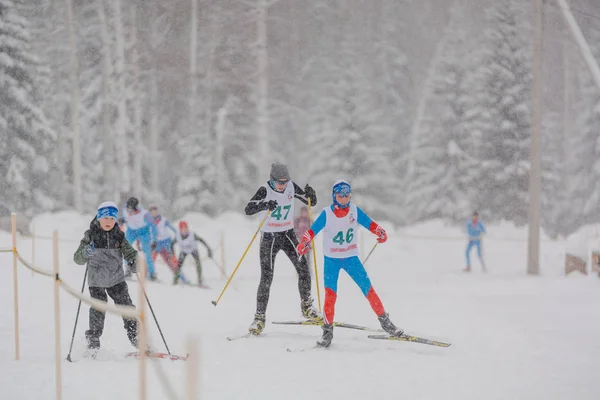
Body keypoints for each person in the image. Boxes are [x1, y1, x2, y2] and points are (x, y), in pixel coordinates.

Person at [296, 180, 403, 348]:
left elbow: (370, 223)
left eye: (347, 195)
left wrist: (380, 231)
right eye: (341, 195)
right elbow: (312, 231)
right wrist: (304, 242)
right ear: (334, 196)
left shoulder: (354, 211)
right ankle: (327, 331)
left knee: (368, 290)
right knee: (330, 296)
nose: (345, 198)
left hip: (351, 258)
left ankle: (385, 322)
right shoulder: (326, 213)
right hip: (331, 260)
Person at [244, 161, 320, 335]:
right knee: (267, 277)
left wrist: (311, 195)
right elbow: (248, 209)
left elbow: (310, 201)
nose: (283, 186)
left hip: (287, 234)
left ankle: (307, 306)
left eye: (285, 182)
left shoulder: (290, 187)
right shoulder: (265, 190)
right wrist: (265, 205)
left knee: (303, 268)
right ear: (272, 180)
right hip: (269, 238)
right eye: (280, 182)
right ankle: (259, 318)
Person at [73, 201, 139, 355]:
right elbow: (77, 259)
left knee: (127, 308)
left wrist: (134, 261)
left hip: (116, 279)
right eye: (105, 218)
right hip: (96, 281)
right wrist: (85, 253)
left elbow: (131, 253)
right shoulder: (91, 235)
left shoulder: (119, 236)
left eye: (112, 218)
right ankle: (93, 341)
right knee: (98, 309)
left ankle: (137, 338)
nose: (108, 222)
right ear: (99, 218)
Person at [148, 204, 190, 284]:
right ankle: (150, 276)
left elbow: (173, 228)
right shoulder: (148, 222)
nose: (154, 213)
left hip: (166, 242)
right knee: (150, 259)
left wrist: (180, 235)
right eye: (152, 212)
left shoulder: (163, 220)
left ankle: (182, 278)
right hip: (156, 244)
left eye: (155, 211)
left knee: (172, 261)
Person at [122, 197, 158, 280]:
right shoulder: (125, 209)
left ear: (136, 209)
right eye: (128, 210)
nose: (129, 212)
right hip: (131, 231)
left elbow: (153, 226)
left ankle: (152, 274)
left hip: (144, 232)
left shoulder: (145, 214)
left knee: (147, 251)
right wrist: (122, 221)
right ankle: (128, 270)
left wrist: (154, 240)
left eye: (131, 211)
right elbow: (123, 217)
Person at [171, 221, 213, 286]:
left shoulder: (192, 235)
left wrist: (208, 249)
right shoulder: (178, 236)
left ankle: (200, 280)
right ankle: (175, 281)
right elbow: (171, 244)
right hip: (183, 251)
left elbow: (202, 240)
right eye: (183, 228)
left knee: (198, 263)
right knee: (178, 265)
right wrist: (173, 255)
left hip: (193, 250)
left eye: (186, 228)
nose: (185, 230)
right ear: (180, 229)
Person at [294, 206, 313, 270]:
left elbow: (312, 231)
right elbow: (295, 230)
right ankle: (300, 271)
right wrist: (299, 237)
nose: (304, 213)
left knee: (307, 258)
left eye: (305, 212)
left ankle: (308, 270)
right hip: (300, 242)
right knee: (300, 258)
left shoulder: (309, 220)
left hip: (307, 243)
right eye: (303, 212)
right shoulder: (298, 220)